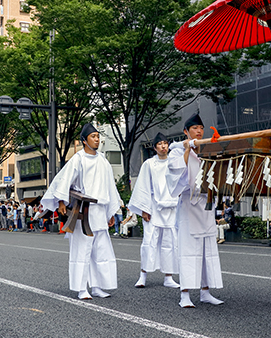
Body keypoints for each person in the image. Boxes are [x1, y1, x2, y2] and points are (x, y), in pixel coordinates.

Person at [41, 123, 119, 300]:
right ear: (84, 140)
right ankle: (82, 288)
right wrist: (61, 201)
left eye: (98, 136)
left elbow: (110, 188)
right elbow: (64, 179)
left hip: (100, 210)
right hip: (83, 211)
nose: (97, 139)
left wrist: (111, 212)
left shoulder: (104, 161)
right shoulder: (78, 159)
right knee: (82, 250)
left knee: (101, 251)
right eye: (93, 136)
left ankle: (98, 286)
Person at [168, 113, 224, 308]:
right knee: (188, 250)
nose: (199, 131)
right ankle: (185, 294)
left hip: (206, 205)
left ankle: (205, 291)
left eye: (201, 127)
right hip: (189, 205)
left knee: (207, 250)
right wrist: (187, 150)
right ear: (186, 132)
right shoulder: (176, 151)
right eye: (194, 128)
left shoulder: (208, 149)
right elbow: (176, 174)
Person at [129, 132, 181, 289]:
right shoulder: (149, 164)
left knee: (170, 243)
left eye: (166, 143)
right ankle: (143, 275)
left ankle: (168, 276)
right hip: (153, 207)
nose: (164, 146)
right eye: (160, 144)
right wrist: (144, 209)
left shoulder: (175, 162)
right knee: (149, 241)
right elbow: (143, 187)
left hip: (172, 208)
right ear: (154, 147)